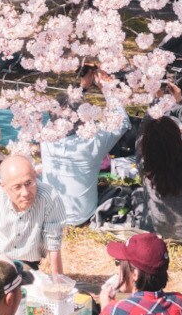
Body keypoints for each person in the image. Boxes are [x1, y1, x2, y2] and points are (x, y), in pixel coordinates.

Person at [40, 65, 131, 226]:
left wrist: (82, 87)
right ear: (82, 118)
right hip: (81, 216)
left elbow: (61, 112)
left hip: (49, 213)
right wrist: (107, 90)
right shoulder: (91, 142)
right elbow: (122, 122)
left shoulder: (46, 137)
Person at [138, 115, 182, 244]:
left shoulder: (143, 164)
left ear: (146, 142)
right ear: (178, 138)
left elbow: (142, 127)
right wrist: (179, 102)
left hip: (151, 235)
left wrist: (157, 102)